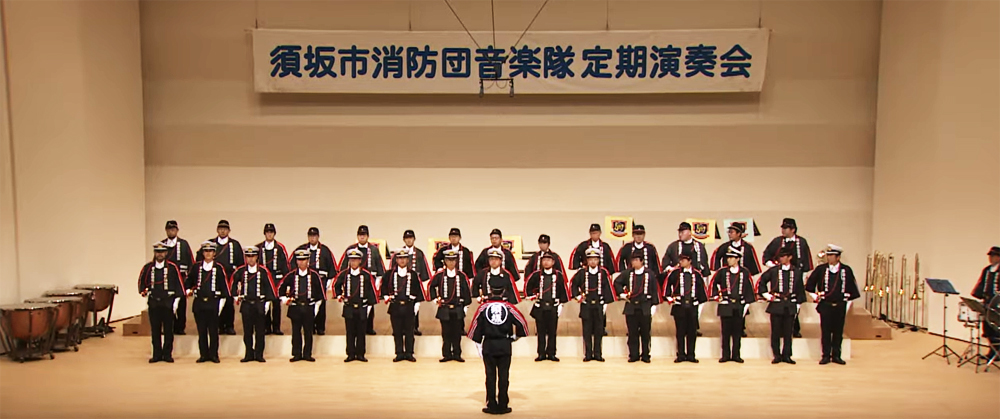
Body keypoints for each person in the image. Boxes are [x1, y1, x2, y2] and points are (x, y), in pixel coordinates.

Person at [468, 280, 528, 415]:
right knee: (504, 375)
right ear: (503, 291)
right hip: (504, 344)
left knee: (490, 376)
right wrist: (514, 337)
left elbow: (474, 328)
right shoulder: (509, 307)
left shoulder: (483, 308)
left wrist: (478, 344)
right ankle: (503, 404)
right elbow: (523, 324)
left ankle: (491, 404)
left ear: (490, 290)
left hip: (489, 345)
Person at [806, 245, 860, 365]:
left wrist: (847, 305)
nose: (829, 258)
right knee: (825, 331)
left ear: (838, 257)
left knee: (838, 331)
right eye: (828, 255)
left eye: (832, 255)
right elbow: (809, 286)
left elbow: (852, 289)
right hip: (826, 304)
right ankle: (825, 355)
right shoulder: (821, 269)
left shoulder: (846, 270)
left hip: (840, 305)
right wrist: (816, 297)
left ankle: (836, 355)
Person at [762, 219, 812, 338]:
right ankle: (779, 331)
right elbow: (766, 255)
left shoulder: (801, 242)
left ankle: (794, 329)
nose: (783, 230)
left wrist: (803, 277)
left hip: (795, 276)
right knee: (780, 305)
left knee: (793, 304)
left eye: (786, 228)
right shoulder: (777, 241)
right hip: (780, 275)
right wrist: (773, 268)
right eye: (782, 228)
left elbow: (806, 260)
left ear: (793, 229)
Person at [138, 242, 185, 363]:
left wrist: (176, 302)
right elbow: (142, 281)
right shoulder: (148, 267)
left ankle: (167, 354)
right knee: (155, 330)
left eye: (162, 252)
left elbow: (179, 284)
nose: (160, 254)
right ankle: (156, 354)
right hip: (154, 302)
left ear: (166, 253)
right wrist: (144, 291)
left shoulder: (172, 268)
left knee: (169, 330)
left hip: (167, 302)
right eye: (158, 252)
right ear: (154, 253)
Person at [758, 246, 806, 364]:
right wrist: (766, 294)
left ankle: (787, 355)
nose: (781, 258)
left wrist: (798, 304)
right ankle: (776, 355)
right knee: (775, 331)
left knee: (788, 332)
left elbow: (800, 289)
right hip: (777, 303)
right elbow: (762, 281)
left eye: (784, 256)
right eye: (780, 256)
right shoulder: (774, 270)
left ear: (789, 257)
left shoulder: (796, 272)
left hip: (790, 304)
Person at [230, 246, 278, 363]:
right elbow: (233, 284)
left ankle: (259, 354)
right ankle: (249, 353)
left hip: (259, 304)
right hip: (246, 304)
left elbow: (270, 288)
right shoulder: (240, 271)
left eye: (253, 256)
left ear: (257, 257)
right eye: (248, 256)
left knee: (260, 331)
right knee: (247, 331)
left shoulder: (263, 271)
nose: (251, 259)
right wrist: (236, 296)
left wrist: (267, 304)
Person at [709, 247, 757, 363]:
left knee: (737, 332)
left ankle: (736, 354)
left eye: (731, 258)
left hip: (739, 305)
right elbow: (713, 284)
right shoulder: (722, 271)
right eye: (728, 258)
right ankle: (725, 355)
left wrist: (746, 303)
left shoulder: (744, 272)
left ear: (737, 259)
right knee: (725, 332)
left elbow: (749, 288)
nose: (729, 260)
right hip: (726, 305)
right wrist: (717, 297)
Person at [197, 220, 244, 335]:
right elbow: (199, 259)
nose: (223, 231)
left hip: (229, 278)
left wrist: (239, 279)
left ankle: (229, 326)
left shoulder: (235, 244)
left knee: (228, 302)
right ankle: (218, 326)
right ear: (217, 230)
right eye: (221, 229)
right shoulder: (210, 243)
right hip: (214, 276)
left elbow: (241, 264)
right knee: (215, 302)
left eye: (225, 229)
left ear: (229, 231)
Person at [186, 242, 230, 363]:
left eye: (210, 251)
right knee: (202, 331)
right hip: (199, 303)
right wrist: (189, 290)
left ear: (214, 253)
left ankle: (214, 354)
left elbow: (224, 287)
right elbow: (188, 281)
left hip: (213, 302)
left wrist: (221, 304)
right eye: (206, 251)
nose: (208, 253)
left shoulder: (219, 268)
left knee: (213, 331)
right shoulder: (196, 267)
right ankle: (203, 354)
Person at [279, 249, 325, 362]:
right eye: (299, 260)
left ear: (308, 260)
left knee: (308, 332)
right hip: (295, 307)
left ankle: (307, 354)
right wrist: (285, 299)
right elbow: (280, 289)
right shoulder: (291, 275)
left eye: (304, 259)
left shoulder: (314, 275)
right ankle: (296, 353)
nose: (301, 262)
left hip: (309, 307)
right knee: (296, 332)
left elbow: (320, 294)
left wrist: (316, 309)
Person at [333, 249, 379, 362]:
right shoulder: (344, 274)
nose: (354, 262)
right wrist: (338, 295)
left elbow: (371, 291)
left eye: (356, 260)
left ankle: (360, 354)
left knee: (361, 332)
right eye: (352, 260)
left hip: (362, 307)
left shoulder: (366, 275)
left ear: (360, 261)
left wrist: (369, 307)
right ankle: (350, 354)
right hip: (349, 307)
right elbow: (336, 285)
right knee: (350, 332)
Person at [570, 249, 616, 362]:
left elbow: (608, 288)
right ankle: (588, 354)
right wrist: (578, 296)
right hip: (586, 305)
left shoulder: (603, 273)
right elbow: (573, 284)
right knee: (586, 331)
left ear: (598, 260)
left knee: (599, 331)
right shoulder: (582, 273)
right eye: (590, 259)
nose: (593, 262)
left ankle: (598, 354)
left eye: (595, 259)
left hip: (599, 305)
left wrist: (605, 303)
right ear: (587, 260)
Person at [614, 252, 661, 363]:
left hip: (645, 307)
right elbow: (617, 282)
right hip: (631, 307)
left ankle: (646, 355)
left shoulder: (650, 274)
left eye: (636, 260)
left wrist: (654, 306)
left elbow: (654, 290)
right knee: (632, 333)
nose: (634, 262)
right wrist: (622, 294)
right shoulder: (628, 273)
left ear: (641, 261)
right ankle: (633, 355)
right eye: (632, 260)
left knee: (645, 333)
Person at [524, 253, 570, 362]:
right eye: (544, 260)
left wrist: (561, 305)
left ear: (553, 262)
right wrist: (533, 296)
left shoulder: (558, 275)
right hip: (540, 306)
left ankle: (551, 353)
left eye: (549, 260)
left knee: (552, 332)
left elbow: (563, 291)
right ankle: (541, 353)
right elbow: (528, 288)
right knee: (540, 332)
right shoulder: (536, 275)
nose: (546, 262)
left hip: (553, 306)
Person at [663, 252, 708, 363]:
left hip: (692, 305)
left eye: (683, 260)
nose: (681, 262)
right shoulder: (675, 273)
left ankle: (691, 355)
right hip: (679, 305)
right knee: (680, 332)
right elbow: (667, 287)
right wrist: (669, 298)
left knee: (692, 332)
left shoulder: (697, 274)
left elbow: (702, 290)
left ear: (690, 261)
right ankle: (681, 354)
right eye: (680, 260)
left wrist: (698, 301)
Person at [340, 225, 385, 336]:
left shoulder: (374, 250)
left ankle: (369, 327)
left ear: (368, 236)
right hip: (354, 280)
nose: (362, 237)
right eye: (360, 235)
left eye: (364, 235)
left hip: (369, 281)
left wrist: (377, 284)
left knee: (369, 305)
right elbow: (343, 268)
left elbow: (380, 268)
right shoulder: (351, 249)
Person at [429, 249, 472, 362]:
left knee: (457, 333)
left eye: (453, 260)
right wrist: (435, 299)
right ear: (445, 261)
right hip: (444, 308)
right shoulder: (440, 275)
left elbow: (467, 291)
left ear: (456, 261)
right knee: (446, 333)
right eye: (448, 260)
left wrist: (465, 306)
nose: (451, 262)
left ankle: (457, 354)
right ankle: (446, 354)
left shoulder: (461, 276)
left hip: (457, 308)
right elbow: (431, 286)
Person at [382, 249, 425, 362]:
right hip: (395, 306)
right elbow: (384, 288)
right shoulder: (389, 274)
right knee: (397, 332)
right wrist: (387, 297)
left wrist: (416, 306)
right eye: (400, 258)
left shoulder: (413, 274)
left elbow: (418, 291)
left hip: (409, 306)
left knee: (410, 332)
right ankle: (399, 353)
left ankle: (409, 353)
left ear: (408, 260)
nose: (402, 260)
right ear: (396, 260)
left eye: (404, 258)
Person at [387, 230, 432, 335]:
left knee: (414, 306)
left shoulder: (419, 253)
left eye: (410, 238)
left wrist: (423, 284)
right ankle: (399, 329)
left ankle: (414, 327)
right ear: (404, 240)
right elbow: (391, 270)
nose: (409, 240)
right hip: (399, 283)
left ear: (414, 239)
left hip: (414, 284)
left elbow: (424, 270)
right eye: (407, 238)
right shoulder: (398, 253)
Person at [294, 227, 337, 336]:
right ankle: (310, 327)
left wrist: (328, 284)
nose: (312, 238)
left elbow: (332, 268)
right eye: (310, 236)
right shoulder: (302, 249)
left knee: (321, 305)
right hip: (307, 281)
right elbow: (293, 265)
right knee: (308, 305)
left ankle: (320, 327)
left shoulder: (325, 250)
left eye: (314, 236)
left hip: (321, 282)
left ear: (318, 236)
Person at [161, 220, 194, 335]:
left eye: (173, 229)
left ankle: (180, 327)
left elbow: (191, 262)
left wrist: (190, 281)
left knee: (181, 304)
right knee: (166, 304)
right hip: (166, 279)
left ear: (177, 230)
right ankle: (168, 326)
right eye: (169, 229)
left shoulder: (183, 244)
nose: (171, 231)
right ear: (166, 231)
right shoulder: (162, 245)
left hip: (181, 278)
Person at [257, 223, 290, 335]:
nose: (269, 234)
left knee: (276, 304)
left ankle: (276, 327)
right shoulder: (259, 248)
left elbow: (285, 265)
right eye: (267, 232)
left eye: (271, 232)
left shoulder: (280, 248)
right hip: (264, 279)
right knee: (264, 302)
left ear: (274, 234)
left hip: (276, 279)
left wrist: (286, 282)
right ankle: (266, 327)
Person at [972, 246, 1000, 360]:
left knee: (996, 329)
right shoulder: (987, 270)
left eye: (993, 256)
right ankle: (992, 351)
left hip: (998, 304)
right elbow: (982, 284)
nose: (991, 258)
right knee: (987, 328)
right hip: (987, 302)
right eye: (990, 256)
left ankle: (997, 352)